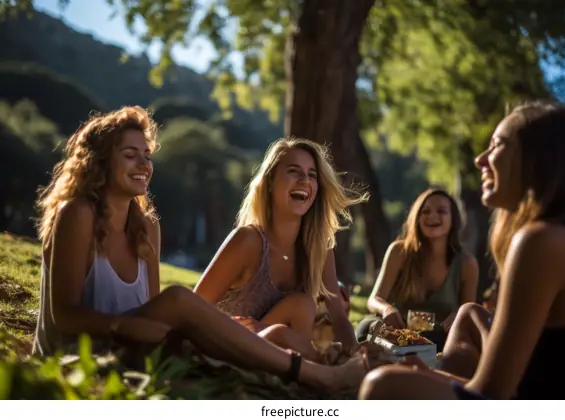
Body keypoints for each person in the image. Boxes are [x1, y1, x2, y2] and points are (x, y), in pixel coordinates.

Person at [31, 106, 379, 392]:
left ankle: (336, 377)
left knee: (280, 325)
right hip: (79, 353)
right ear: (100, 161)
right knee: (182, 300)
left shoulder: (147, 226)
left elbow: (151, 310)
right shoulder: (77, 214)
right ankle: (320, 376)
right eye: (130, 155)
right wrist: (123, 327)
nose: (144, 165)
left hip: (134, 347)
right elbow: (64, 315)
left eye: (147, 156)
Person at [359, 101, 565, 399]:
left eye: (497, 145)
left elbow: (491, 393)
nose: (479, 159)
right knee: (470, 313)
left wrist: (419, 373)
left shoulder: (541, 242)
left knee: (381, 385)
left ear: (539, 158)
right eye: (426, 212)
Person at [193, 137, 368, 363]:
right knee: (297, 312)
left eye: (312, 175)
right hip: (227, 350)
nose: (304, 180)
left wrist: (355, 353)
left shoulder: (318, 248)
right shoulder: (248, 241)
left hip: (281, 359)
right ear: (270, 182)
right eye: (294, 171)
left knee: (302, 307)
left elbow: (338, 316)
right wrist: (256, 331)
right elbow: (193, 306)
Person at [355, 188, 479, 348]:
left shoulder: (467, 264)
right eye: (425, 211)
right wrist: (387, 310)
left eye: (441, 211)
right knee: (367, 326)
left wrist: (457, 316)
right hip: (398, 331)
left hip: (441, 335)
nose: (432, 216)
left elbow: (469, 311)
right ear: (417, 217)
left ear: (453, 220)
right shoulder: (399, 251)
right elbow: (374, 300)